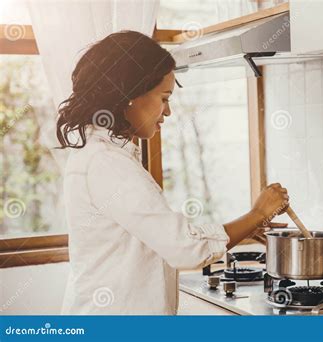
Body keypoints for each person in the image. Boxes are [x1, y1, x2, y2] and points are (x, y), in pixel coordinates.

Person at [57, 31, 289, 314]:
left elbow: (163, 234)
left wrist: (252, 223)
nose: (168, 112)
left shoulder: (102, 154)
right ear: (131, 95)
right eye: (164, 98)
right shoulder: (108, 163)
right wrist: (256, 214)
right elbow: (185, 248)